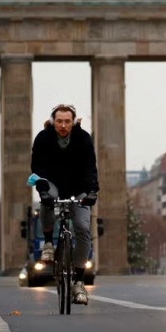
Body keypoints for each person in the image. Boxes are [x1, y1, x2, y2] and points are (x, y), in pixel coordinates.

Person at [29, 104, 100, 305]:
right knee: (46, 200)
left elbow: (90, 167)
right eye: (59, 121)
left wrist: (92, 191)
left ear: (73, 122)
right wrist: (42, 189)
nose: (63, 125)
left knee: (83, 228)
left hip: (79, 188)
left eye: (67, 121)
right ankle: (48, 243)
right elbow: (37, 167)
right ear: (53, 122)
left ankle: (79, 281)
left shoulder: (83, 139)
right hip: (52, 183)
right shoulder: (43, 138)